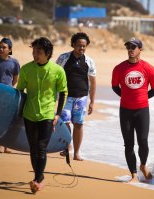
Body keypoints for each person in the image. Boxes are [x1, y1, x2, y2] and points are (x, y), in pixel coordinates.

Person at [16, 37, 67, 193]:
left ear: (48, 53)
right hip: (29, 114)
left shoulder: (57, 70)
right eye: (33, 50)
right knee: (33, 148)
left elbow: (63, 92)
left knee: (41, 147)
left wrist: (58, 114)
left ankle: (37, 180)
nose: (35, 54)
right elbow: (19, 93)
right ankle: (40, 176)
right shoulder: (25, 69)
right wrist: (17, 114)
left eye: (38, 51)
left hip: (47, 114)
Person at [111, 38, 154, 182]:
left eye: (133, 47)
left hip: (142, 110)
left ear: (140, 49)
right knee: (128, 143)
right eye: (128, 47)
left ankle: (143, 166)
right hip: (125, 110)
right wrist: (126, 97)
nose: (130, 49)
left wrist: (142, 98)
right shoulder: (119, 68)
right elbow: (115, 87)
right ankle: (133, 175)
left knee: (143, 141)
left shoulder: (148, 68)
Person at [56, 32, 96, 161]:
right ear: (73, 45)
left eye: (84, 46)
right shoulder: (63, 58)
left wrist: (92, 101)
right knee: (65, 122)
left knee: (78, 124)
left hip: (81, 97)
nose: (82, 48)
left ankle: (77, 153)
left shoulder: (89, 61)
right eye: (79, 45)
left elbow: (93, 81)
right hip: (65, 96)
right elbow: (55, 75)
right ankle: (68, 145)